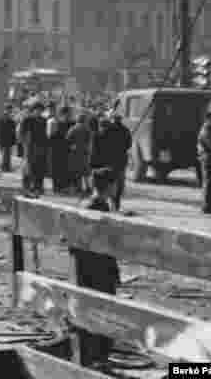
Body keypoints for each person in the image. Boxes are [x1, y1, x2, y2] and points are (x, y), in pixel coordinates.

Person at [70, 167, 120, 366]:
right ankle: (99, 356)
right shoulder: (99, 208)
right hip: (98, 269)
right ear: (110, 185)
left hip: (85, 267)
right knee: (102, 311)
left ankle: (91, 354)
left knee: (89, 310)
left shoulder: (86, 204)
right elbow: (106, 245)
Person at [17, 102, 48, 197]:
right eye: (37, 110)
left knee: (40, 168)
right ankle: (26, 188)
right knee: (28, 168)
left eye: (41, 110)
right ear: (33, 110)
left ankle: (38, 187)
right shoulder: (27, 120)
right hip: (29, 147)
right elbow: (21, 134)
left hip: (41, 147)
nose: (39, 112)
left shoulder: (43, 120)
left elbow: (45, 135)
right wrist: (23, 145)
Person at [47, 106, 72, 194]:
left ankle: (62, 187)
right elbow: (50, 136)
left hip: (64, 150)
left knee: (63, 169)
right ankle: (57, 187)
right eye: (67, 114)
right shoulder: (56, 123)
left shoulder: (69, 123)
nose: (68, 116)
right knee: (57, 169)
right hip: (56, 150)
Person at [67, 113, 93, 195]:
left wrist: (72, 146)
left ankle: (79, 188)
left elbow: (67, 139)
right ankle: (88, 188)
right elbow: (90, 141)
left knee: (77, 171)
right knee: (86, 172)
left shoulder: (73, 128)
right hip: (85, 152)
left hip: (75, 152)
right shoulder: (87, 129)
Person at [0, 105, 18, 173]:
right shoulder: (0, 119)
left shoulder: (12, 120)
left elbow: (13, 131)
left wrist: (14, 140)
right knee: (5, 153)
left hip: (8, 139)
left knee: (6, 153)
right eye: (8, 110)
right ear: (5, 110)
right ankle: (5, 167)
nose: (9, 112)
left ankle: (5, 167)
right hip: (2, 138)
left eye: (10, 110)